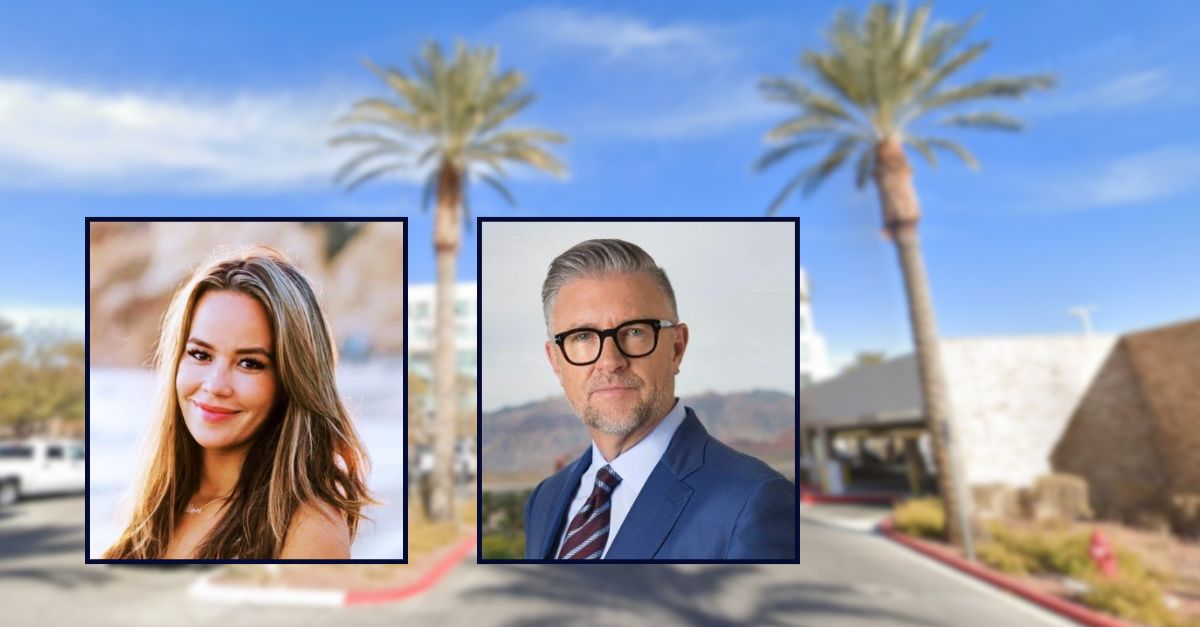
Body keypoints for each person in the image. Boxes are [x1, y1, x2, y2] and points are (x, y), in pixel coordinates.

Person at [524, 238, 797, 560]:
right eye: (582, 336)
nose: (610, 361)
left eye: (635, 331)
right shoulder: (545, 499)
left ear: (676, 348)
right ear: (556, 361)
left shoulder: (753, 500)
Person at [104, 246, 373, 559]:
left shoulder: (308, 528)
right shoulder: (158, 504)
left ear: (292, 380)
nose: (215, 385)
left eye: (249, 363)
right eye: (200, 355)